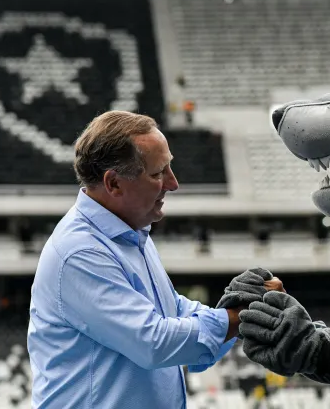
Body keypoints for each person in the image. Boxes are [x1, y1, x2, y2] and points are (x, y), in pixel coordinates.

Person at [27, 110, 280, 408]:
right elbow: (153, 342)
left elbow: (172, 310)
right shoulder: (81, 252)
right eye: (158, 173)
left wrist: (239, 308)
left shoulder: (130, 232)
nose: (173, 183)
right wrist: (238, 318)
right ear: (114, 184)